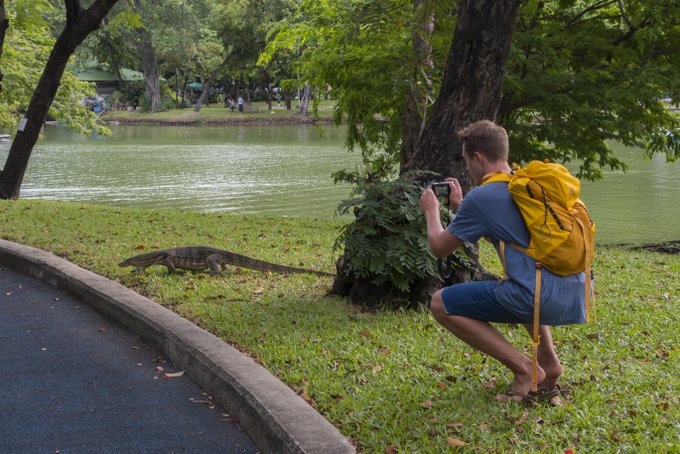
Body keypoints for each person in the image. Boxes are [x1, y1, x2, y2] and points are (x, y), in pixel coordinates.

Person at [419, 120, 587, 402]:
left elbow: (438, 247)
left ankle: (524, 370)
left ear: (478, 157)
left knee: (440, 303)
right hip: (575, 294)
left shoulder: (483, 196)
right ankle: (550, 364)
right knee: (520, 283)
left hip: (538, 297)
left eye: (467, 161)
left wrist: (431, 211)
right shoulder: (526, 185)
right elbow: (511, 237)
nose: (468, 169)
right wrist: (461, 209)